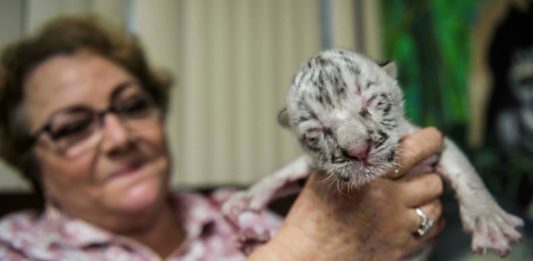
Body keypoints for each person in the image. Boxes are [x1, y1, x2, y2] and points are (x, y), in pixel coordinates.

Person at [0, 15, 445, 260]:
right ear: (31, 160)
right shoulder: (13, 248)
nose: (119, 137)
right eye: (74, 127)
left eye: (133, 105)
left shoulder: (237, 211)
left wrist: (405, 238)